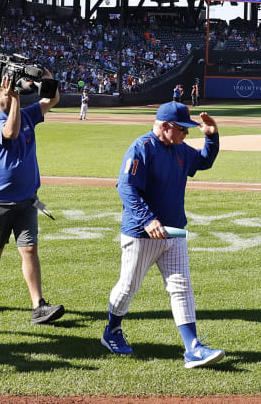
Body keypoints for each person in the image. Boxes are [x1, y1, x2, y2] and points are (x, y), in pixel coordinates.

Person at [102, 102, 224, 368]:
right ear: (166, 126)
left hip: (174, 232)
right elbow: (126, 188)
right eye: (183, 129)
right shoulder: (141, 148)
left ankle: (193, 348)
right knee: (128, 287)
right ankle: (111, 330)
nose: (186, 134)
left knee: (181, 288)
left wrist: (211, 137)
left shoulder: (178, 148)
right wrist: (147, 220)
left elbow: (203, 161)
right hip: (141, 234)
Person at [0, 74, 64, 324]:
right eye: (7, 93)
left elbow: (53, 98)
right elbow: (11, 132)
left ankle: (38, 306)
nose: (12, 95)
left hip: (27, 199)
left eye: (13, 93)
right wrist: (15, 99)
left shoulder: (27, 114)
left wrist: (43, 75)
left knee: (29, 248)